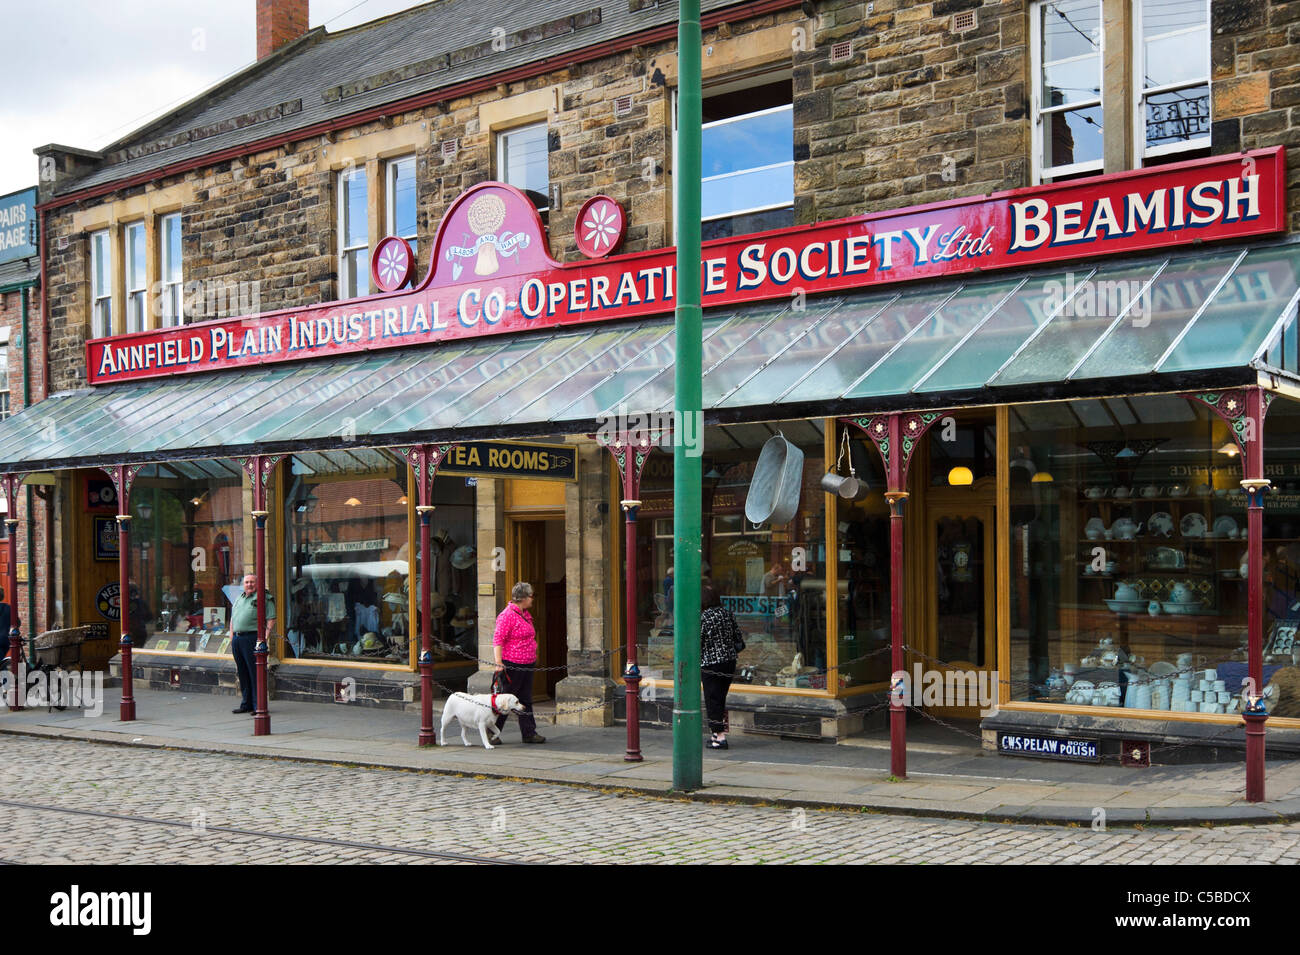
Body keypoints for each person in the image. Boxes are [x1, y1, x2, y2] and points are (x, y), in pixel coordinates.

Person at [492, 581, 544, 744]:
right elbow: (498, 639)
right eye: (531, 596)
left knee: (525, 699)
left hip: (526, 664)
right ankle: (491, 732)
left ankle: (529, 732)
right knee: (505, 700)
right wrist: (498, 662)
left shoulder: (524, 614)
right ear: (523, 598)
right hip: (512, 664)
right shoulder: (507, 615)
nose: (532, 599)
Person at [700, 584, 744, 750]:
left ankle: (719, 736)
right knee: (720, 697)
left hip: (711, 663)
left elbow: (698, 640)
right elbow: (738, 637)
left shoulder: (704, 617)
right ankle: (715, 733)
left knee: (712, 699)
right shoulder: (727, 613)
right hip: (729, 661)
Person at [227, 573, 276, 715]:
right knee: (242, 672)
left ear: (258, 583)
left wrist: (264, 638)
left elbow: (271, 618)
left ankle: (257, 705)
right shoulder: (239, 598)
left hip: (252, 638)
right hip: (238, 639)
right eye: (247, 582)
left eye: (252, 582)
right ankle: (246, 703)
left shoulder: (264, 598)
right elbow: (233, 618)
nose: (249, 584)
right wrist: (232, 635)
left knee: (254, 673)